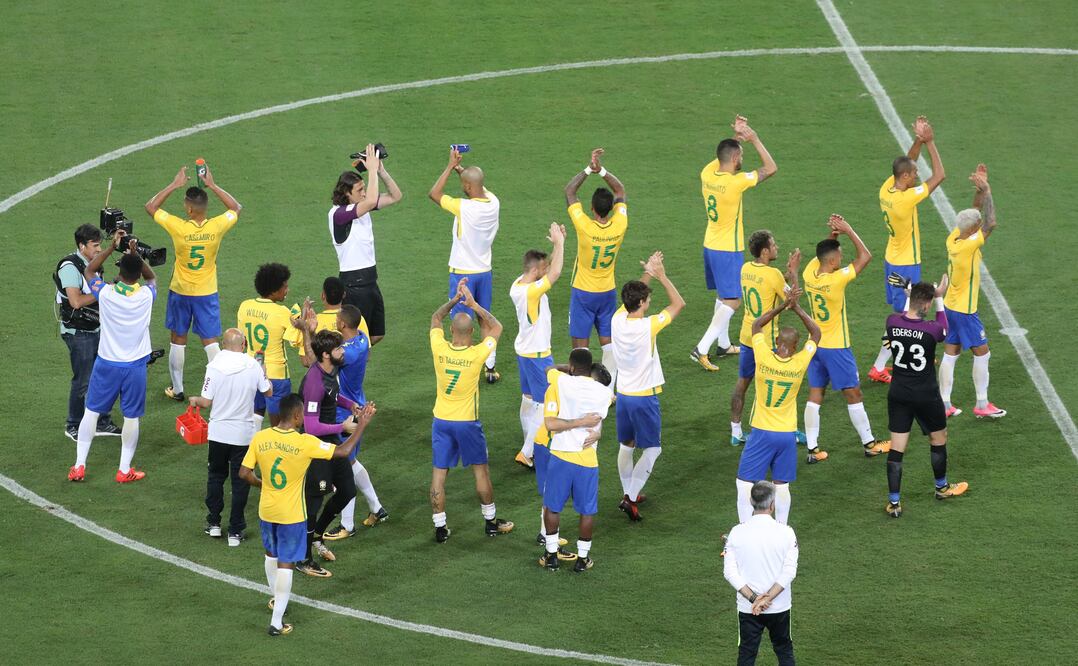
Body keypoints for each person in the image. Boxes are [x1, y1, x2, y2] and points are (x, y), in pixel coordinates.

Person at [238, 393, 376, 636]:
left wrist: (263, 485)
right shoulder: (305, 443)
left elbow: (244, 473)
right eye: (302, 414)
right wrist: (362, 424)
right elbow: (343, 451)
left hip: (267, 510)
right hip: (291, 514)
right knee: (286, 564)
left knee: (271, 555)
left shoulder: (261, 438)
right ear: (296, 415)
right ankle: (276, 622)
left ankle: (275, 599)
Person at [145, 164, 242, 401]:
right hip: (206, 292)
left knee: (178, 340)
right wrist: (212, 184)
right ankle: (221, 390)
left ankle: (177, 389)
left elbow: (151, 206)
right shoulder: (216, 226)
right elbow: (236, 207)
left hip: (180, 291)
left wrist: (174, 184)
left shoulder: (179, 227)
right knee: (210, 341)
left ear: (188, 209)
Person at [68, 231, 157, 483]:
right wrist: (136, 254)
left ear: (119, 274)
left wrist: (111, 248)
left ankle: (79, 466)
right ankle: (124, 469)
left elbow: (89, 272)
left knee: (91, 413)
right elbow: (152, 278)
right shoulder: (146, 295)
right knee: (131, 417)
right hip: (135, 366)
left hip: (106, 363)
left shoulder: (105, 293)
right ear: (138, 273)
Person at [428, 280, 513, 542]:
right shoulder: (477, 354)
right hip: (467, 422)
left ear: (451, 330)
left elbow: (435, 317)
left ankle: (440, 528)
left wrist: (455, 300)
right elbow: (497, 326)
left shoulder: (439, 347)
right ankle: (490, 522)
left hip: (441, 420)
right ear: (473, 333)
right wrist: (474, 304)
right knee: (480, 471)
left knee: (439, 475)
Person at [692, 115, 778, 371]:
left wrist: (737, 139)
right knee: (733, 301)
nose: (743, 160)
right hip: (727, 249)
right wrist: (753, 139)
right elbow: (771, 168)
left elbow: (723, 156)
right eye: (740, 155)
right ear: (734, 159)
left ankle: (723, 343)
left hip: (710, 244)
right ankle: (702, 348)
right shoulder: (735, 183)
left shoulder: (707, 174)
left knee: (723, 295)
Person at [802, 215, 890, 461]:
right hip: (837, 348)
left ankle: (812, 448)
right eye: (839, 256)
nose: (842, 259)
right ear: (832, 262)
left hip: (815, 345)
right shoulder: (836, 280)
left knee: (815, 394)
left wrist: (833, 236)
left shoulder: (811, 274)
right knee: (854, 394)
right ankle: (870, 443)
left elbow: (825, 252)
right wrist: (848, 230)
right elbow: (865, 257)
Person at [869, 116, 946, 383]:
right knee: (906, 318)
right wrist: (931, 142)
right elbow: (940, 176)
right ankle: (881, 365)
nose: (917, 175)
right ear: (905, 177)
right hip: (905, 264)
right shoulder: (905, 200)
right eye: (914, 174)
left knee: (903, 315)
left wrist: (918, 141)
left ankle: (885, 361)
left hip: (892, 259)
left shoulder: (887, 189)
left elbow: (907, 160)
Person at [883, 281, 969, 518]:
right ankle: (941, 488)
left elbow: (905, 317)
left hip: (898, 393)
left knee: (897, 447)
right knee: (938, 438)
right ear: (928, 303)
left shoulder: (892, 322)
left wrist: (914, 298)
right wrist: (940, 297)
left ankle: (894, 502)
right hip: (926, 395)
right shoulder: (931, 330)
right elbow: (944, 328)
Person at [735, 287, 819, 525]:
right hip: (786, 434)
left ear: (776, 342)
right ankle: (782, 530)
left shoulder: (763, 355)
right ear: (795, 348)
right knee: (782, 486)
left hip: (762, 431)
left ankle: (744, 528)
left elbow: (756, 326)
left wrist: (783, 306)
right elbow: (816, 334)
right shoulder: (800, 362)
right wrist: (797, 307)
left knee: (744, 483)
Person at [612, 251, 686, 521]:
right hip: (644, 398)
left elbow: (632, 296)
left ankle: (628, 490)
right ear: (642, 303)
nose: (650, 302)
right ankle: (630, 497)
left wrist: (648, 273)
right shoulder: (648, 326)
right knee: (653, 448)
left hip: (623, 394)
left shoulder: (617, 319)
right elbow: (678, 304)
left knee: (627, 445)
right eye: (647, 299)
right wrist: (662, 275)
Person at [189, 328, 272, 545]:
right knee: (240, 482)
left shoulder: (214, 366)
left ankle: (214, 523)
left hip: (218, 433)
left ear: (224, 344)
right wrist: (264, 372)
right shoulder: (253, 365)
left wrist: (195, 400)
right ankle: (235, 531)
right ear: (243, 344)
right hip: (243, 435)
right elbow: (268, 391)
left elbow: (206, 401)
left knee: (215, 477)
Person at [294, 328, 365, 577]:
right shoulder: (313, 383)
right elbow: (310, 425)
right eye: (337, 349)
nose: (342, 351)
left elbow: (334, 395)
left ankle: (316, 536)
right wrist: (343, 426)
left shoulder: (331, 368)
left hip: (330, 440)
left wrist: (350, 404)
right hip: (314, 445)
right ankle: (303, 558)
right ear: (326, 354)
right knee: (314, 500)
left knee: (347, 490)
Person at [428, 146, 502, 383]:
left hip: (463, 274)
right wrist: (463, 169)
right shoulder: (494, 202)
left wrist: (450, 167)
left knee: (461, 321)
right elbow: (476, 184)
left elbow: (434, 193)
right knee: (484, 318)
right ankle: (490, 368)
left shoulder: (464, 207)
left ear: (468, 187)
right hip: (485, 271)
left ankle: (459, 365)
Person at [938, 164, 1006, 419]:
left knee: (951, 353)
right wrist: (988, 190)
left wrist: (979, 189)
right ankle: (982, 403)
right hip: (966, 310)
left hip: (950, 306)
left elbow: (974, 213)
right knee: (983, 353)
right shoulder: (968, 245)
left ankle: (944, 404)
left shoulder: (954, 237)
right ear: (971, 231)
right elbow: (990, 222)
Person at [319, 304, 388, 540]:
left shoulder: (347, 353)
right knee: (350, 461)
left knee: (342, 468)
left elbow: (321, 358)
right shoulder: (361, 339)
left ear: (342, 324)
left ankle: (347, 525)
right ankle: (377, 508)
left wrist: (307, 332)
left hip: (344, 410)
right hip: (355, 402)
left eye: (337, 319)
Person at [540, 348, 613, 572]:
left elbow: (549, 369)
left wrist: (568, 370)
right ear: (590, 368)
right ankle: (582, 559)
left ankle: (551, 555)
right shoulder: (603, 392)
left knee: (552, 507)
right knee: (586, 510)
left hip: (561, 454)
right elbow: (605, 411)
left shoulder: (561, 382)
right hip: (587, 459)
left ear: (571, 367)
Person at [730, 230, 801, 447]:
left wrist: (785, 274)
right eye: (774, 244)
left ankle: (735, 430)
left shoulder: (746, 268)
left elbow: (767, 282)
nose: (777, 247)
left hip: (746, 336)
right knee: (773, 387)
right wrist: (794, 272)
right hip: (766, 341)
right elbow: (792, 301)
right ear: (764, 251)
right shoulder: (774, 276)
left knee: (743, 382)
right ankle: (781, 430)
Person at [563, 148, 629, 381]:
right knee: (608, 343)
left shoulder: (585, 226)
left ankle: (582, 388)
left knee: (580, 347)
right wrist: (601, 171)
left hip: (583, 292)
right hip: (607, 291)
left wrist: (587, 170)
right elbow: (620, 190)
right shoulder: (620, 224)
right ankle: (608, 391)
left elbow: (570, 191)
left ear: (591, 209)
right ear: (611, 208)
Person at [328, 143, 403, 346]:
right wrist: (370, 170)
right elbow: (369, 201)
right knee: (356, 341)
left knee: (376, 335)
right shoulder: (338, 214)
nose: (363, 193)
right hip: (353, 286)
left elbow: (396, 196)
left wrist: (381, 172)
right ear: (346, 193)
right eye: (359, 190)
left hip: (370, 282)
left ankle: (350, 358)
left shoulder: (360, 208)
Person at [54, 223, 121, 440]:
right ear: (82, 246)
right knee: (83, 380)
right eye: (95, 245)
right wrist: (104, 289)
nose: (98, 249)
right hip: (78, 332)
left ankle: (101, 421)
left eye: (100, 245)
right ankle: (73, 424)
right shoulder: (69, 267)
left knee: (103, 377)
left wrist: (112, 248)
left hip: (97, 327)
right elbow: (75, 301)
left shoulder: (91, 262)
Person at [508, 222, 566, 468]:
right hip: (538, 354)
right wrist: (561, 244)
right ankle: (528, 451)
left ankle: (528, 441)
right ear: (536, 271)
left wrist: (556, 246)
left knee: (529, 399)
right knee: (544, 403)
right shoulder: (531, 292)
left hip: (524, 350)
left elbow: (548, 269)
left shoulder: (519, 283)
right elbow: (555, 274)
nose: (547, 267)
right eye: (543, 266)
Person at [723, 480, 799, 666]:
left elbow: (729, 572)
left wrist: (754, 599)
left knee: (747, 655)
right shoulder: (786, 532)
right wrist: (767, 599)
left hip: (749, 608)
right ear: (772, 505)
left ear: (751, 501)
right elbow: (789, 571)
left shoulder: (736, 532)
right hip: (779, 606)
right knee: (784, 651)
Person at [237, 263, 301, 427]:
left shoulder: (245, 306)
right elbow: (295, 341)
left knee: (255, 415)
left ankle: (252, 448)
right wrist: (301, 320)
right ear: (274, 290)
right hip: (276, 377)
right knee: (280, 425)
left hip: (251, 369)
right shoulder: (282, 313)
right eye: (285, 286)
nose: (287, 290)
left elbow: (241, 338)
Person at [297, 277, 369, 366]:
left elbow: (306, 361)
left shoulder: (312, 322)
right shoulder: (355, 317)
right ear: (344, 295)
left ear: (323, 295)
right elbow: (366, 355)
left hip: (324, 377)